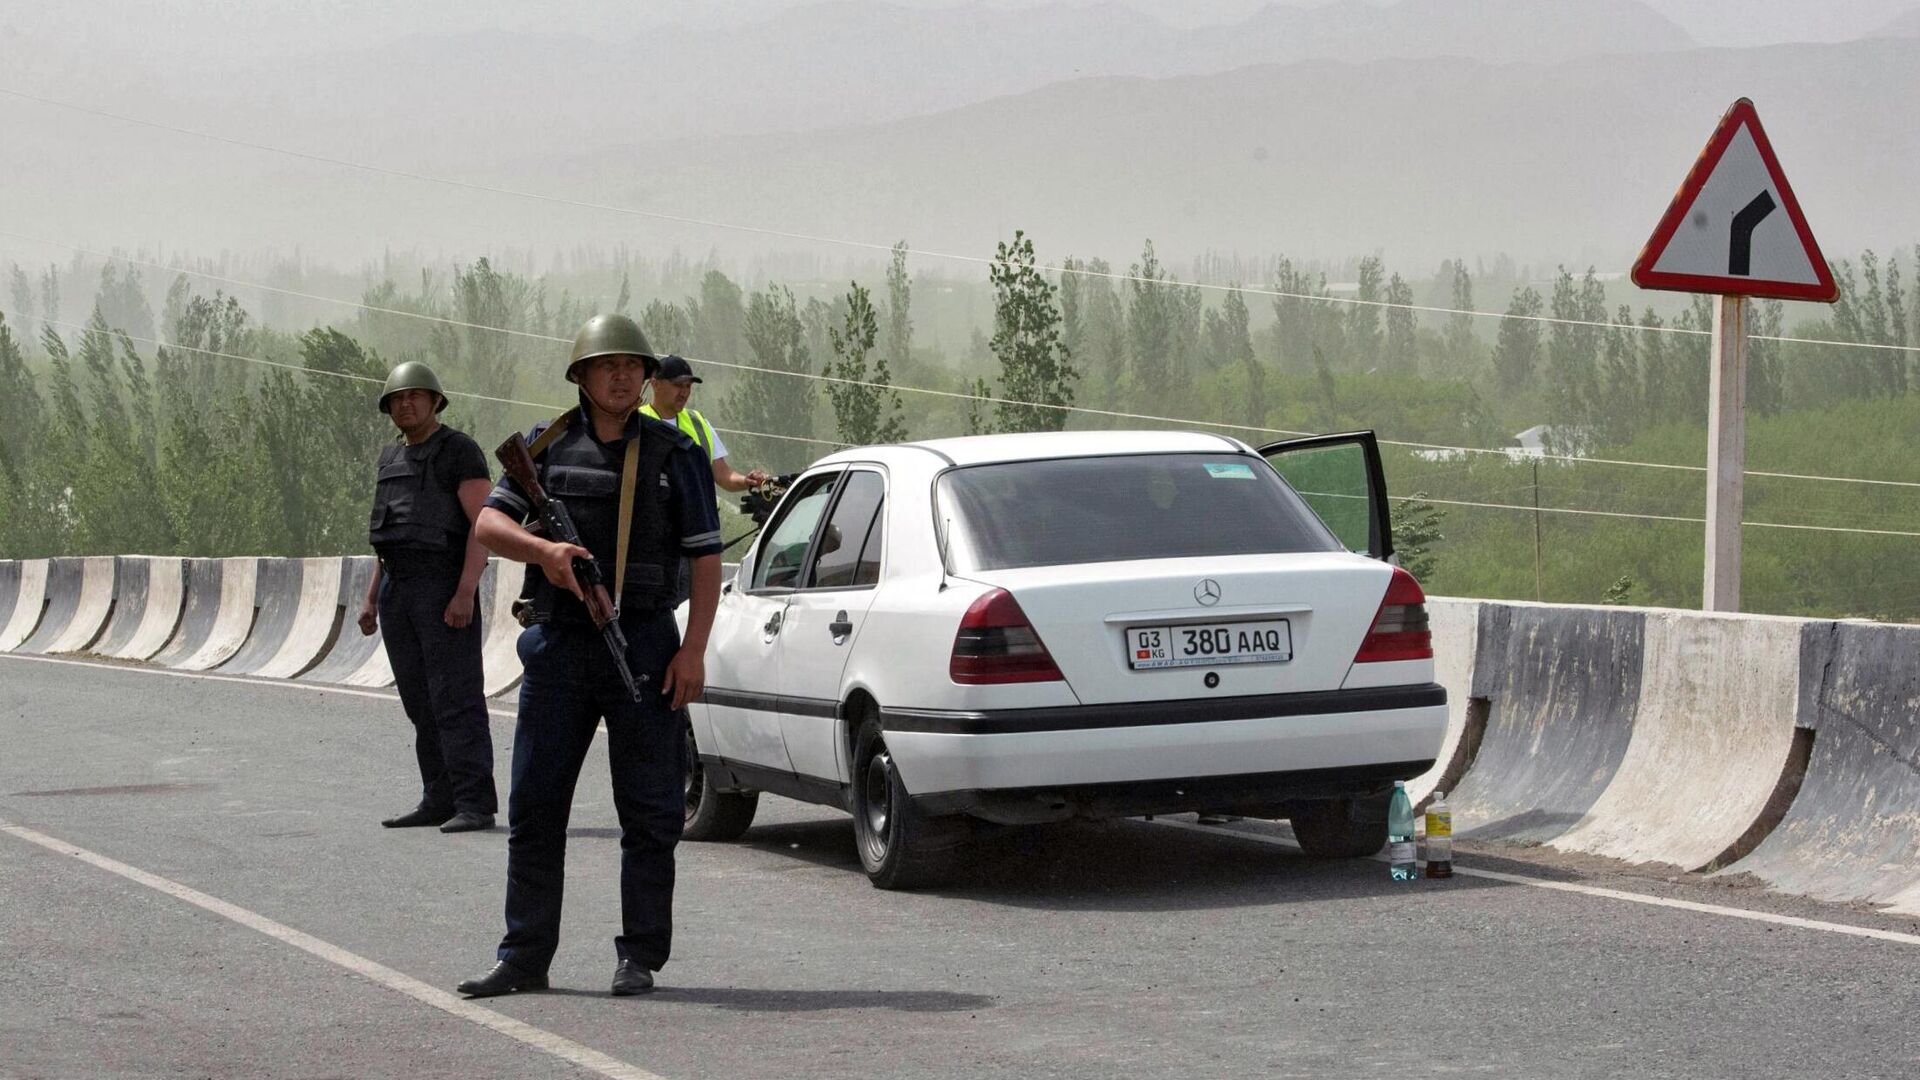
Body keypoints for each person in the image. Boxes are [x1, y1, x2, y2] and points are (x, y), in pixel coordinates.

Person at [458, 314, 722, 999]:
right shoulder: (545, 448)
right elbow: (489, 520)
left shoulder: (674, 453)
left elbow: (705, 558)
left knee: (650, 810)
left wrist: (693, 651)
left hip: (643, 640)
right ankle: (524, 956)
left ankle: (640, 956)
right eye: (608, 366)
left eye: (634, 367)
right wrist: (543, 552)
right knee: (537, 807)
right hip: (559, 642)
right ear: (580, 375)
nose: (623, 376)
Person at [361, 360, 499, 834]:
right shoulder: (391, 458)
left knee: (455, 697)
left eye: (415, 396)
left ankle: (475, 803)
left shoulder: (459, 451)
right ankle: (437, 799)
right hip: (399, 591)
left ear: (435, 401)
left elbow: (483, 527)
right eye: (398, 398)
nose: (406, 403)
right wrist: (371, 598)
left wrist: (465, 592)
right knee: (419, 701)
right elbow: (390, 536)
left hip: (443, 587)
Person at [640, 354, 770, 495]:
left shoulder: (698, 423)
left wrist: (746, 481)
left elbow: (723, 474)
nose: (684, 393)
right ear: (655, 384)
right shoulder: (637, 421)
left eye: (688, 386)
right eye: (677, 385)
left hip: (697, 515)